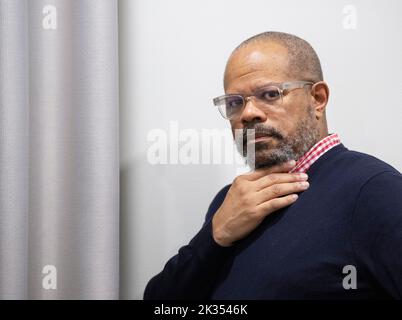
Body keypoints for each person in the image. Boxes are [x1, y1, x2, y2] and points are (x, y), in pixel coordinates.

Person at [143, 31, 402, 299]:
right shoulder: (230, 201)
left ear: (318, 99)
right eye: (234, 103)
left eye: (269, 94)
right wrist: (215, 235)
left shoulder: (374, 191)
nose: (247, 114)